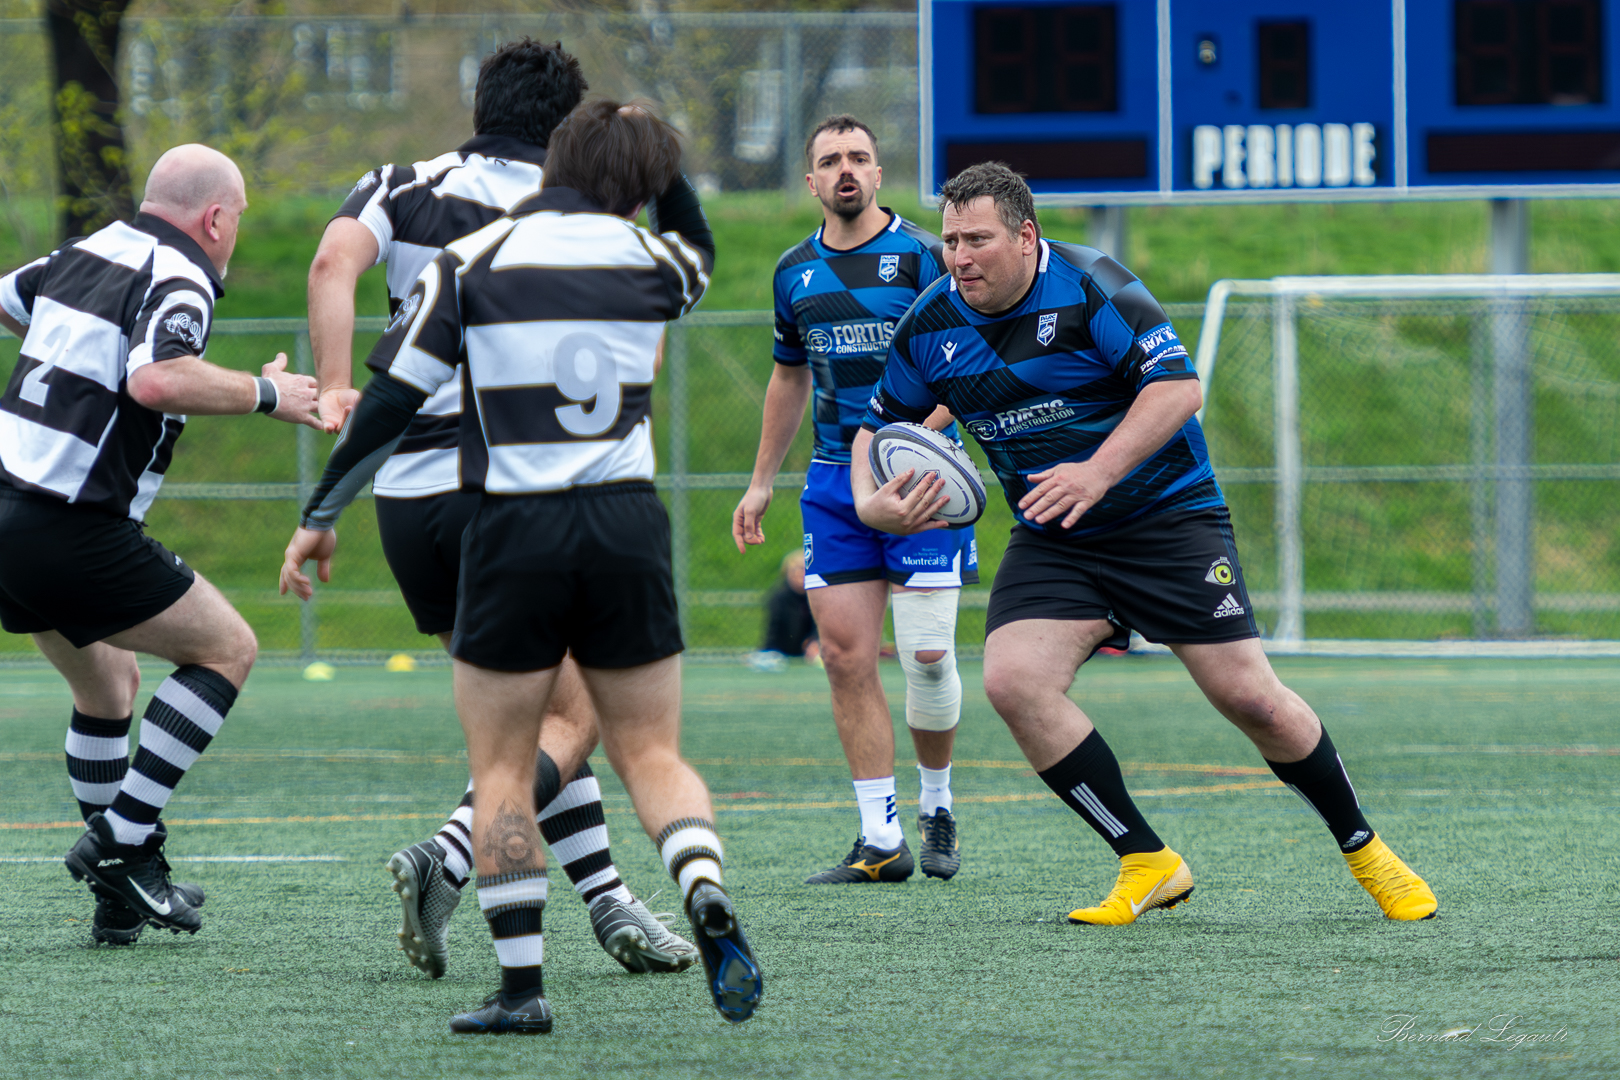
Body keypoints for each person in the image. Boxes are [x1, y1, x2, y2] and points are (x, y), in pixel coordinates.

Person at [280, 99, 762, 1032]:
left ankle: (520, 991)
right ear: (639, 182)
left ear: (552, 166)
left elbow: (389, 402)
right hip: (625, 523)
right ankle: (700, 883)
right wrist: (660, 158)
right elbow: (693, 234)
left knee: (502, 765)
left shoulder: (471, 265)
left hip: (512, 527)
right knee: (652, 753)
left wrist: (320, 512)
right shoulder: (654, 261)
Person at [852, 162, 1437, 925]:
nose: (959, 256)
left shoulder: (1095, 283)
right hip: (1056, 534)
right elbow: (878, 430)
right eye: (952, 240)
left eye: (978, 240)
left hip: (1168, 519)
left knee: (1252, 699)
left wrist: (1097, 471)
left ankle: (1365, 849)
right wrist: (874, 506)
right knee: (1014, 681)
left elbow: (1177, 388)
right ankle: (1146, 859)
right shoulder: (930, 324)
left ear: (1026, 238)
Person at [0, 144, 320, 943]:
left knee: (108, 688)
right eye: (238, 220)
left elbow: (12, 304)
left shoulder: (82, 252)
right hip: (68, 526)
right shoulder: (181, 275)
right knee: (228, 650)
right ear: (216, 218)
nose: (236, 235)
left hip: (9, 511)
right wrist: (269, 392)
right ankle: (121, 842)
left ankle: (118, 900)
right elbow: (156, 378)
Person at [732, 115, 975, 885]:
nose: (846, 169)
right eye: (830, 159)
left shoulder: (921, 259)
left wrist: (911, 443)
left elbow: (961, 364)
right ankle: (881, 838)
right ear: (810, 181)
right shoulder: (792, 272)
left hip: (921, 474)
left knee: (929, 657)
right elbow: (789, 375)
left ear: (878, 173)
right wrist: (763, 478)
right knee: (844, 658)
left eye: (860, 157)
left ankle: (936, 804)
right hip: (835, 483)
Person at [748, 550, 819, 671]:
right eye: (797, 569)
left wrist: (815, 642)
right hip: (784, 654)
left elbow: (821, 626)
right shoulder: (779, 598)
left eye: (805, 569)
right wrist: (767, 653)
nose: (801, 574)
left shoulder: (819, 596)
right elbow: (774, 632)